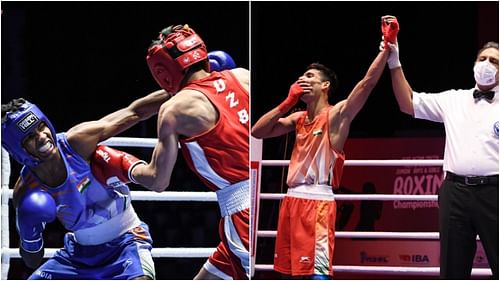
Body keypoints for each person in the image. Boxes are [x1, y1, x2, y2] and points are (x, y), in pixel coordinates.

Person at [93, 24, 250, 280]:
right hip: (272, 197)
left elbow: (158, 180)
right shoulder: (243, 76)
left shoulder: (174, 110)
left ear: (161, 71)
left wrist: (120, 163)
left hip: (243, 216)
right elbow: (139, 109)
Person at [251, 17, 394, 279]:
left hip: (317, 204)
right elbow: (257, 132)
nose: (301, 79)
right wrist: (287, 102)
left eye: (309, 76)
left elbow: (366, 84)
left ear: (324, 85)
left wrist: (386, 48)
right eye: (301, 76)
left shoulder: (337, 115)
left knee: (317, 274)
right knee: (291, 274)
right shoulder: (297, 118)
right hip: (291, 201)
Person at [1, 90, 170, 279]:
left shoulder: (77, 143)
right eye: (30, 137)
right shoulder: (25, 190)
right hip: (77, 256)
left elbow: (135, 112)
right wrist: (28, 229)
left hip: (126, 242)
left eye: (41, 126)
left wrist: (182, 86)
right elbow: (31, 260)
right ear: (18, 149)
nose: (42, 136)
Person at [383, 14, 499, 279]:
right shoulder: (453, 100)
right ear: (473, 65)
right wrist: (394, 60)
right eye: (482, 59)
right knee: (452, 270)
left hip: (496, 194)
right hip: (455, 193)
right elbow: (407, 103)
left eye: (494, 61)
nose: (486, 64)